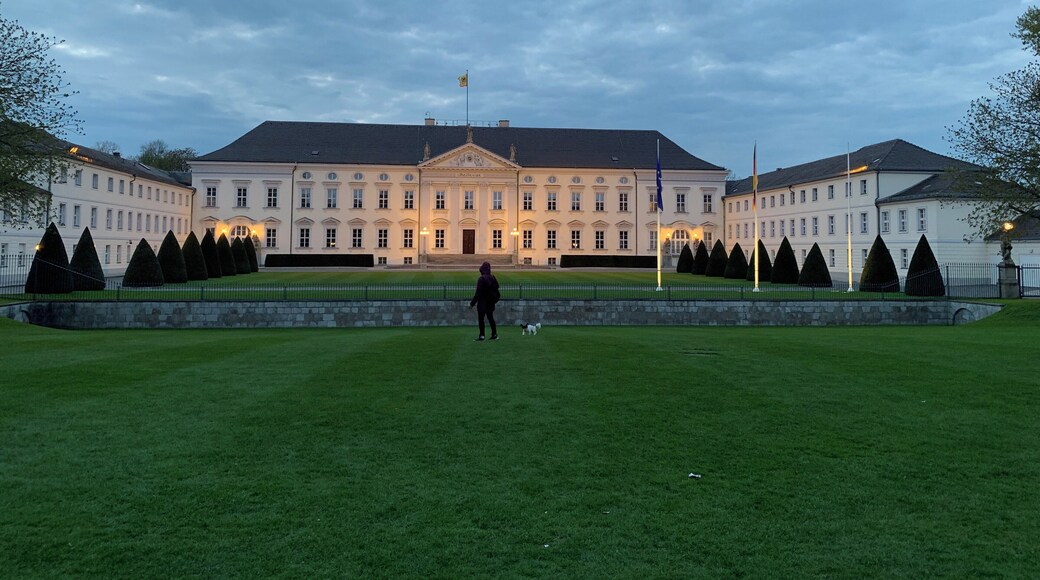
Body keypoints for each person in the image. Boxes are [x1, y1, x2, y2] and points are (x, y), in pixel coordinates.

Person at [469, 261, 500, 341]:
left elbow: (478, 293)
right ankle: (494, 334)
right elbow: (497, 289)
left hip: (482, 302)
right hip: (490, 302)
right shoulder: (493, 278)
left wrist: (472, 303)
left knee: (481, 319)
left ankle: (482, 335)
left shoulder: (481, 279)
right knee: (491, 318)